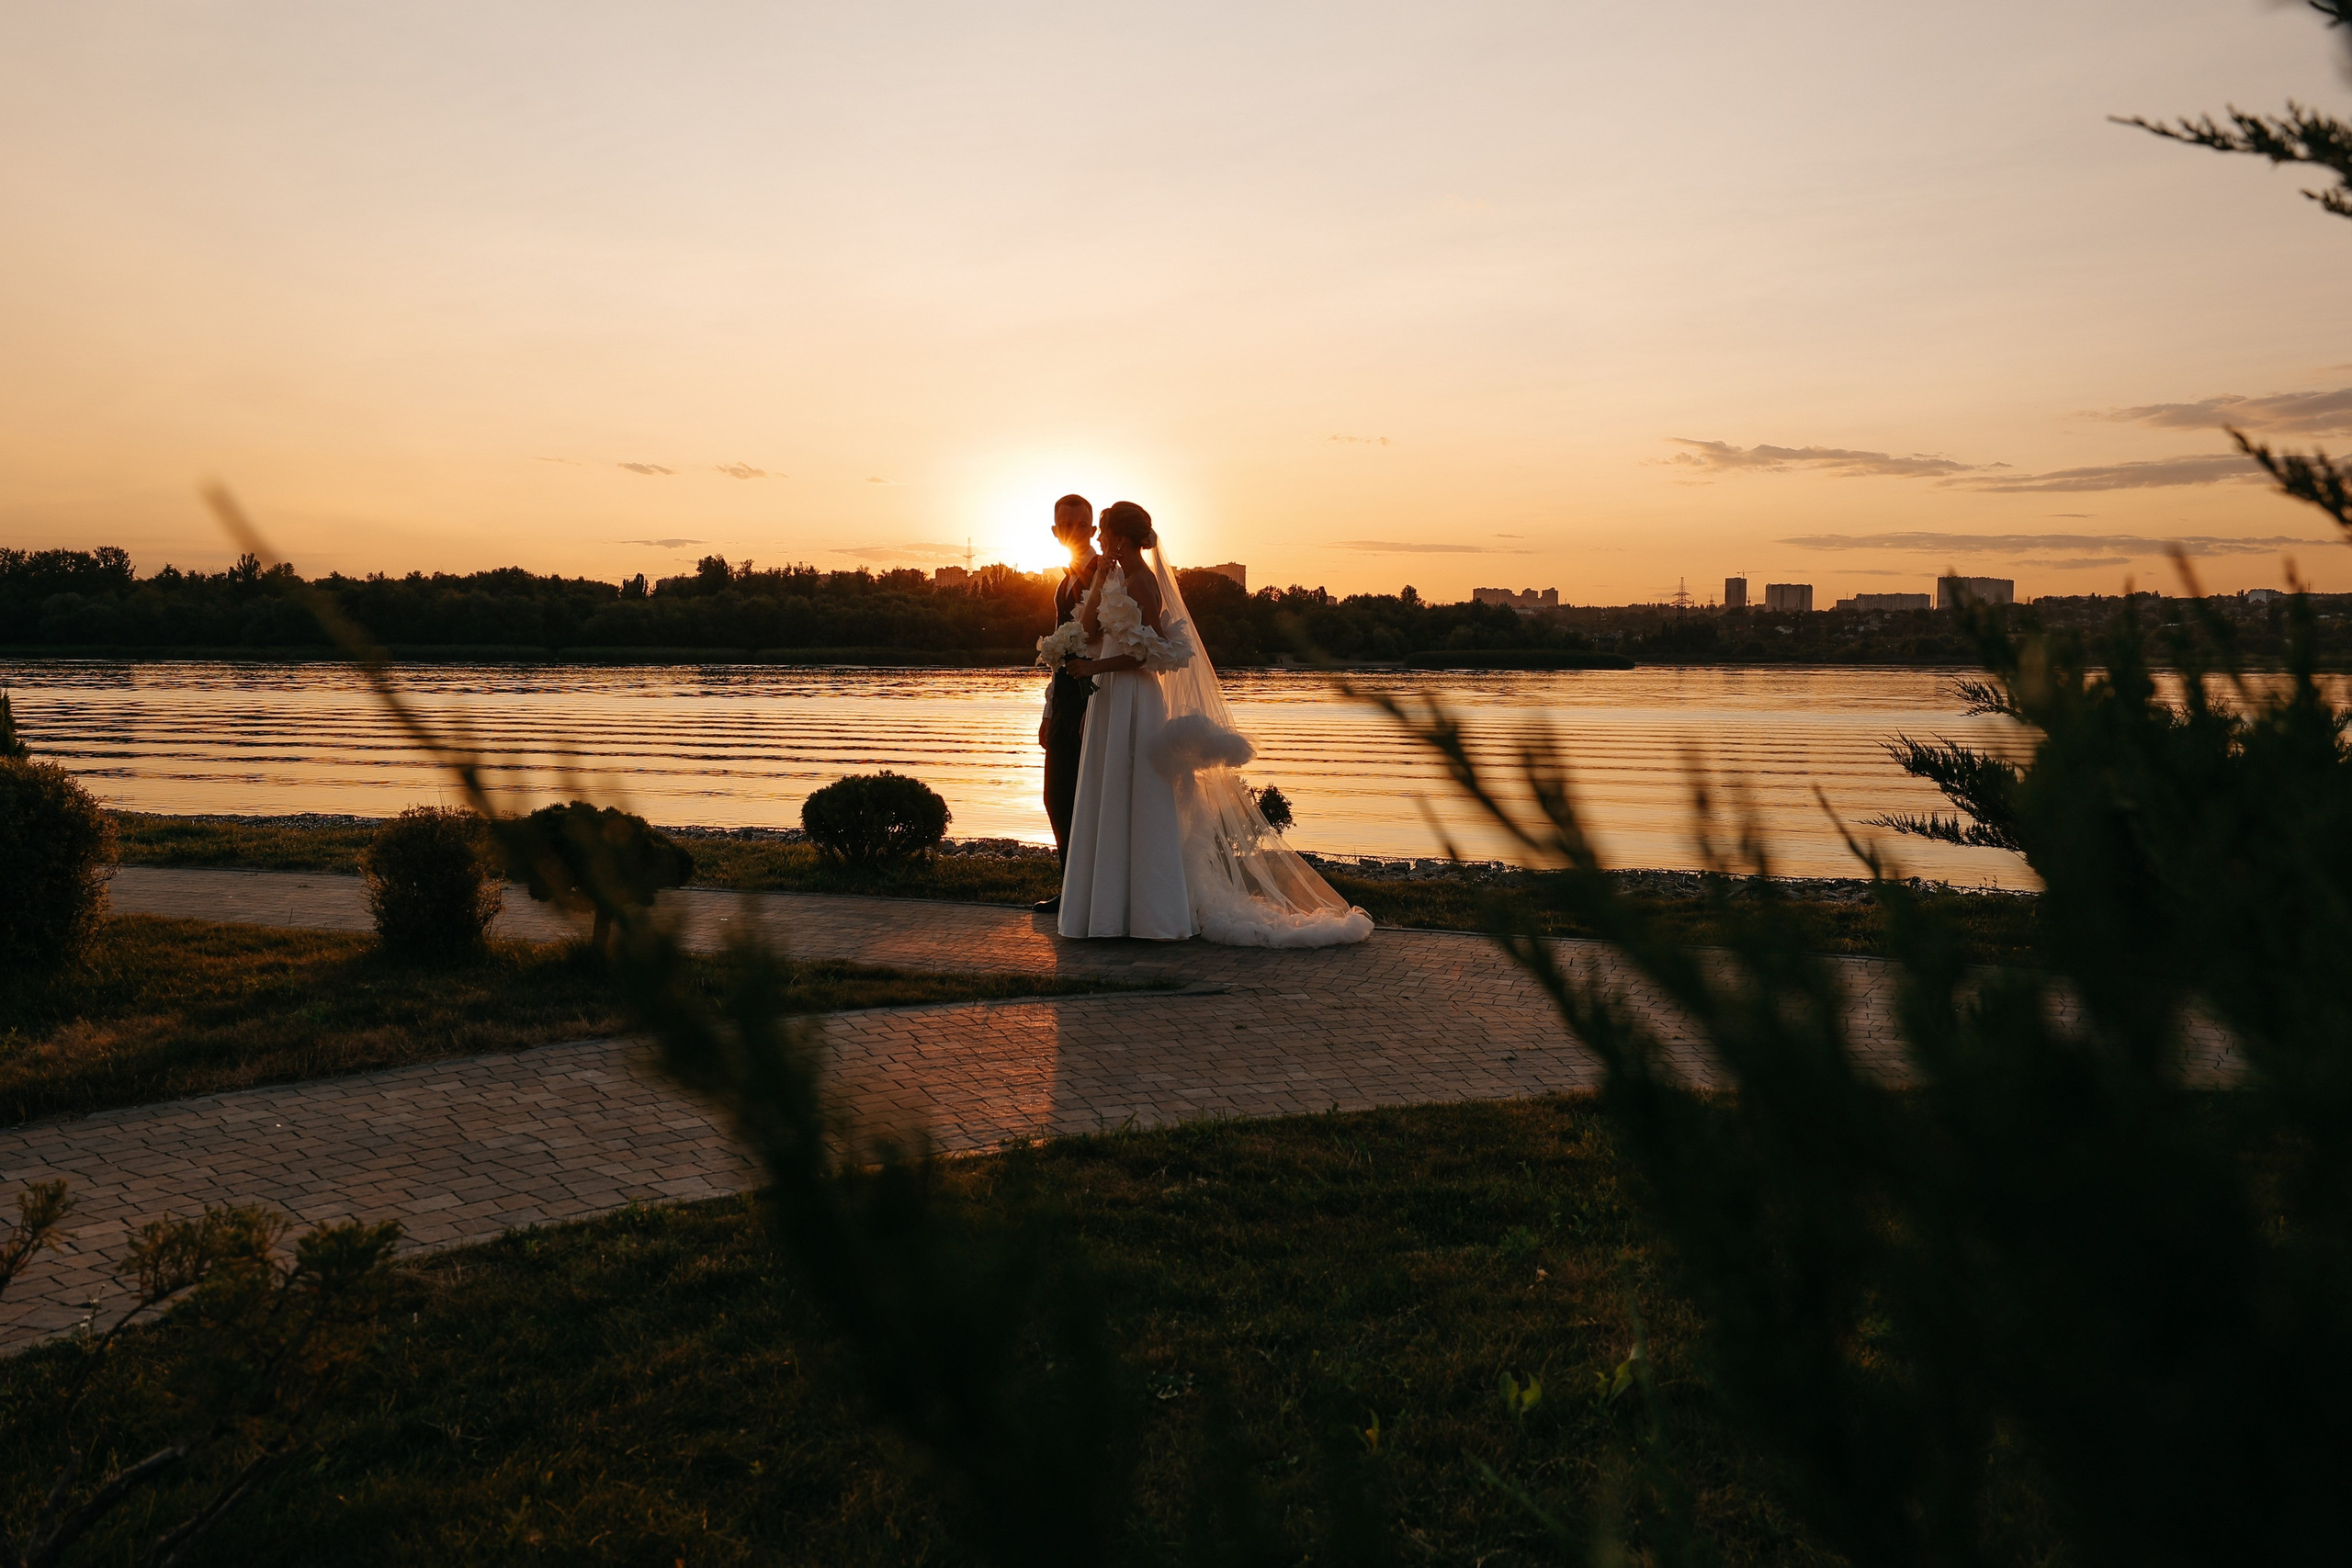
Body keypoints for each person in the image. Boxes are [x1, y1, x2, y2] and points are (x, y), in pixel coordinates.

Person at [1057, 502, 1373, 948]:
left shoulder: (1145, 583)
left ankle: (1149, 914)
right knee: (1105, 791)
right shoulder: (1109, 578)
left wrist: (1096, 667)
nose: (1099, 539)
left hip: (1134, 697)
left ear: (1120, 538)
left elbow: (1154, 654)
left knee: (1138, 793)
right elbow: (1088, 630)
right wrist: (1093, 597)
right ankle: (1105, 913)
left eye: (1104, 531)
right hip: (1108, 696)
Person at [1033, 493, 1099, 914]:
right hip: (1064, 703)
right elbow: (1060, 653)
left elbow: (1112, 643)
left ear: (1092, 531)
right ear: (1056, 533)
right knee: (1056, 797)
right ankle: (1072, 886)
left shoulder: (1106, 577)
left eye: (1081, 525)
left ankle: (1085, 893)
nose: (1073, 532)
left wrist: (1094, 709)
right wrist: (1048, 710)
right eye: (1065, 526)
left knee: (1085, 798)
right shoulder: (1062, 581)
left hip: (1093, 702)